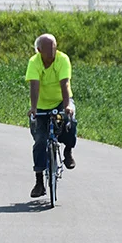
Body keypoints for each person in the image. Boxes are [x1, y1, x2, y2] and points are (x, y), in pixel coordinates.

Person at [26, 33, 76, 198]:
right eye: (47, 49)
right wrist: (33, 108)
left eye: (53, 47)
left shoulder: (63, 59)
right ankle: (39, 182)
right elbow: (34, 86)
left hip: (60, 102)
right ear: (39, 50)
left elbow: (65, 83)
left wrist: (67, 105)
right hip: (40, 106)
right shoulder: (34, 62)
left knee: (69, 121)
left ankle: (68, 151)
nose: (51, 52)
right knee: (40, 139)